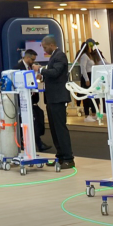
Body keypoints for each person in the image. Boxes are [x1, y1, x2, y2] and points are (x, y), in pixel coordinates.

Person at [39, 35, 74, 168]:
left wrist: (41, 70)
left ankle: (68, 158)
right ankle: (60, 157)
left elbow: (56, 72)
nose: (44, 50)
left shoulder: (60, 56)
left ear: (51, 45)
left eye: (45, 47)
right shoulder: (54, 56)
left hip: (58, 98)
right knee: (54, 129)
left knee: (60, 129)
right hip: (52, 98)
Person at [17, 49, 51, 152]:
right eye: (32, 59)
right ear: (27, 57)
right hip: (23, 101)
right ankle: (36, 144)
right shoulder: (18, 68)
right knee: (30, 122)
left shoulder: (31, 68)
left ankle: (36, 143)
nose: (33, 62)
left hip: (32, 100)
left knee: (36, 120)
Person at [77, 42, 103, 123]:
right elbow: (83, 68)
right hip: (87, 77)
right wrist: (86, 79)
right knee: (87, 96)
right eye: (89, 46)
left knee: (94, 95)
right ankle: (87, 114)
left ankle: (94, 113)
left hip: (92, 76)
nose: (91, 48)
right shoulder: (84, 56)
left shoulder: (90, 56)